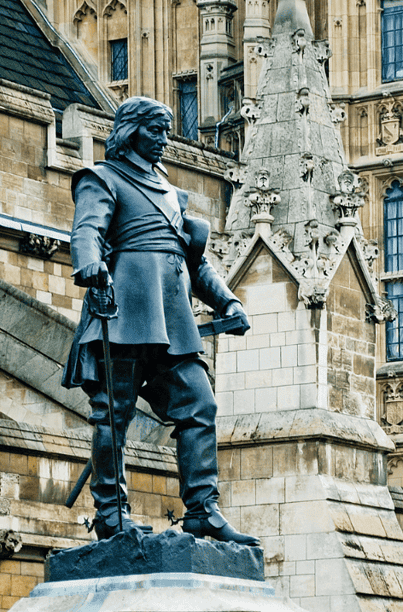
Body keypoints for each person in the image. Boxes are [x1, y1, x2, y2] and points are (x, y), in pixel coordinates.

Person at [61, 96, 258, 545]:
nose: (163, 140)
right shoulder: (102, 178)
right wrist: (89, 263)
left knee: (199, 406)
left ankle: (202, 510)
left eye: (167, 131)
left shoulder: (173, 195)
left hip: (173, 317)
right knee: (113, 415)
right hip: (126, 309)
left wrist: (227, 301)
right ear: (131, 130)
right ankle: (111, 514)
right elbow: (86, 229)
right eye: (155, 130)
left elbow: (193, 263)